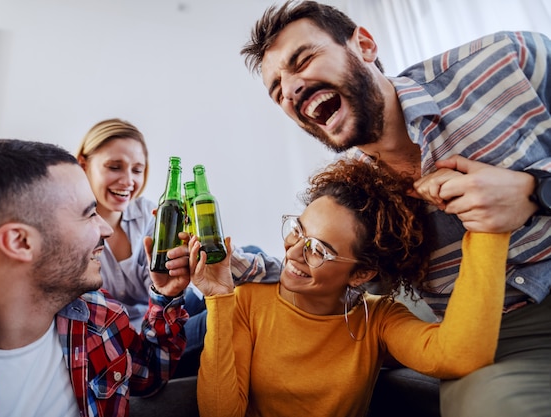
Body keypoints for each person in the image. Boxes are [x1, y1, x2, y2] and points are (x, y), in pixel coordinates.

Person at [240, 1, 551, 415]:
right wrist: (233, 270)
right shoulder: (363, 204)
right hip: (506, 341)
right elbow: (329, 270)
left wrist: (534, 191)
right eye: (278, 89)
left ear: (364, 45)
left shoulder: (508, 61)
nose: (292, 87)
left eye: (304, 59)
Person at [189, 159, 510, 417]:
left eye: (319, 249)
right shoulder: (247, 302)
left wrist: (489, 226)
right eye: (298, 230)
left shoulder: (378, 318)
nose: (293, 251)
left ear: (361, 273)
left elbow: (457, 355)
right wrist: (218, 299)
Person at [0, 139, 191, 417]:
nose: (106, 229)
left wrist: (166, 295)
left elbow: (148, 375)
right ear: (20, 242)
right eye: (89, 214)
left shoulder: (96, 313)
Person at [75, 118, 281, 377]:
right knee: (238, 308)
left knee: (247, 253)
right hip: (136, 343)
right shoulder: (75, 235)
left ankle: (299, 290)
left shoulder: (147, 215)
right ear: (83, 165)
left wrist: (191, 254)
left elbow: (175, 288)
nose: (128, 181)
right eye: (115, 167)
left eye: (137, 170)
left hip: (163, 314)